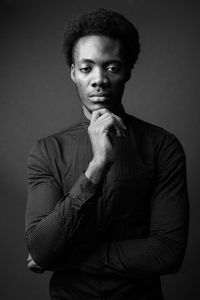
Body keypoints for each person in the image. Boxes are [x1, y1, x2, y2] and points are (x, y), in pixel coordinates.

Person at [25, 8, 189, 300]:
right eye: (87, 68)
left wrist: (66, 258)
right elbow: (40, 246)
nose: (99, 79)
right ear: (73, 73)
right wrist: (98, 166)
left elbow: (167, 252)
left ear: (127, 72)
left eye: (111, 67)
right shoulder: (48, 151)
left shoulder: (163, 146)